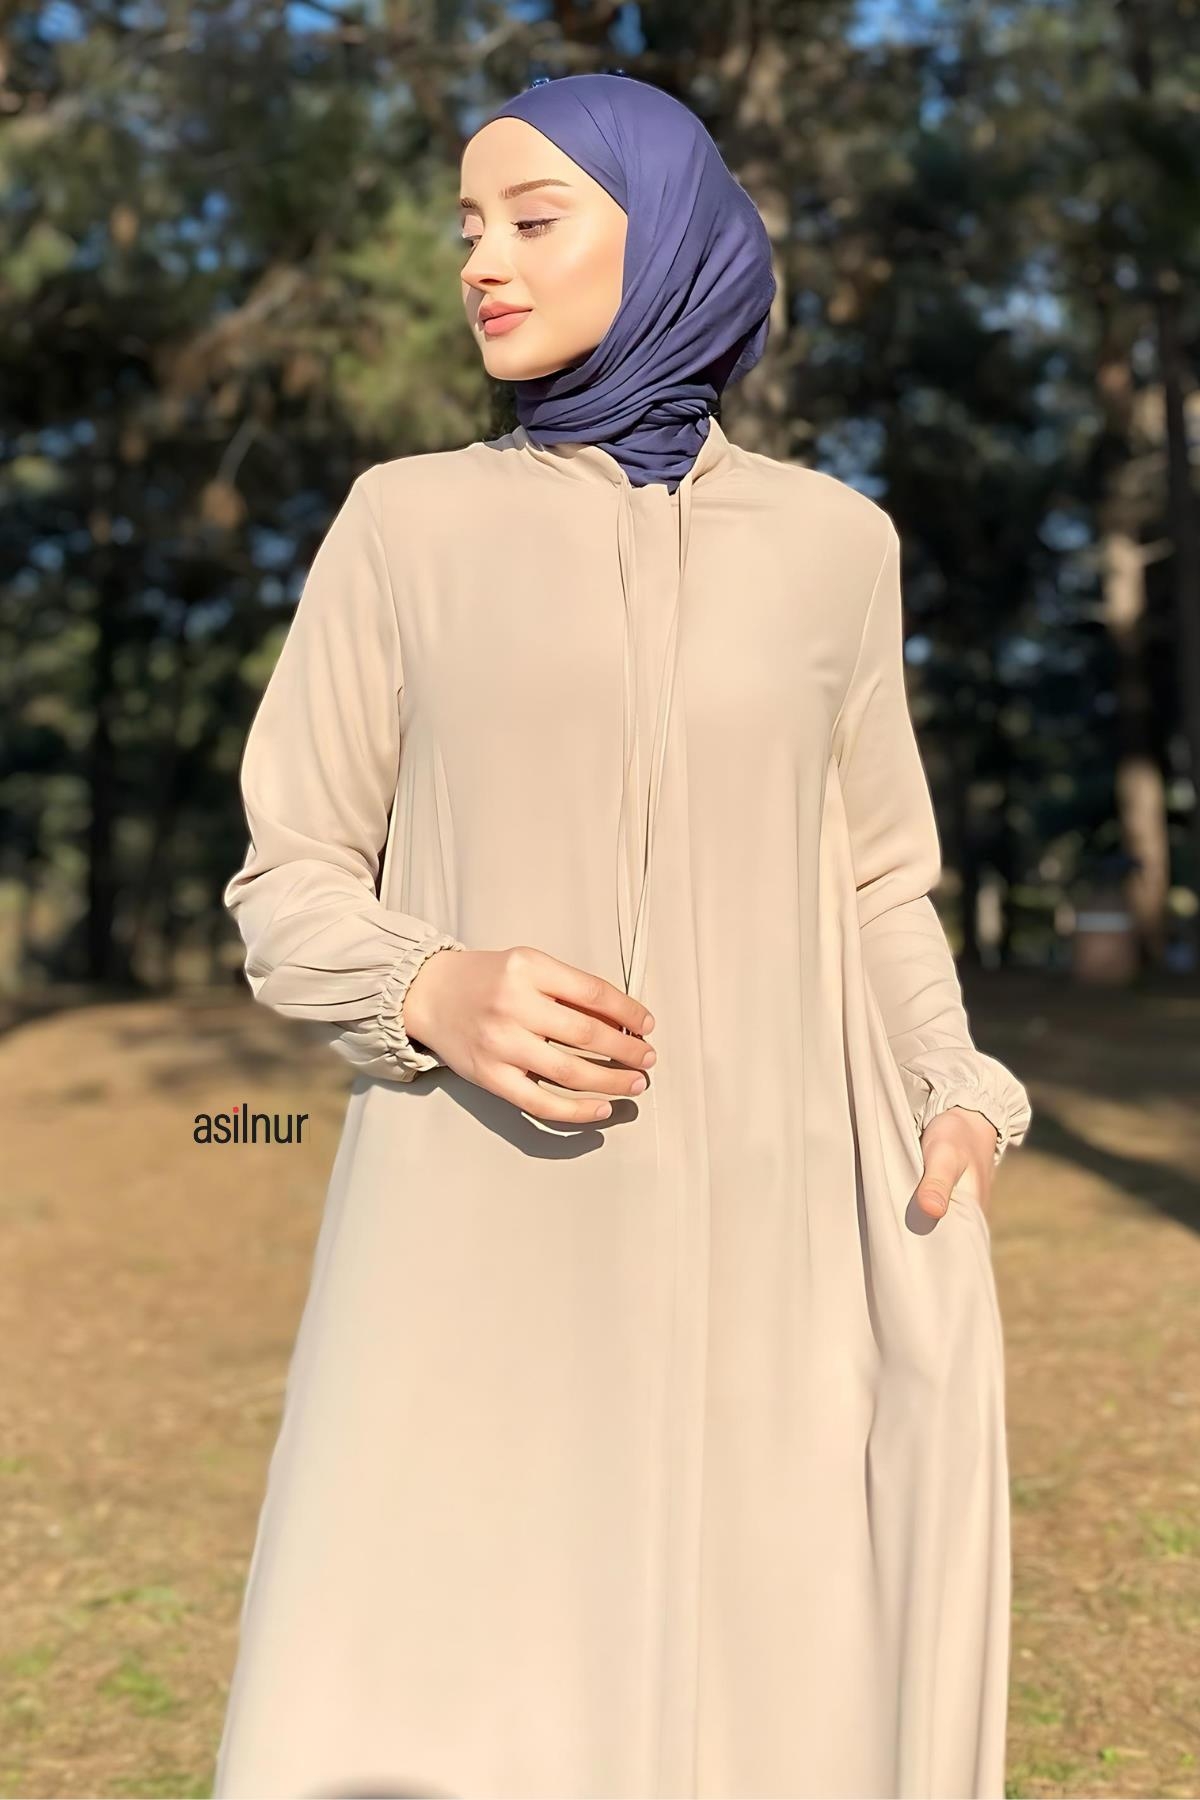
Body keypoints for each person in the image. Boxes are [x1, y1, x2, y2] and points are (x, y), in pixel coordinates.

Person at [213, 71, 1032, 1800]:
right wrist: (428, 987)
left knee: (767, 1694)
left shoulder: (837, 545)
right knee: (460, 1689)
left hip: (783, 1223)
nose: (481, 263)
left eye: (533, 217)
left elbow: (880, 875)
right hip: (478, 1212)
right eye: (467, 226)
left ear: (664, 237)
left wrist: (953, 1085)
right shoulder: (405, 523)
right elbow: (286, 876)